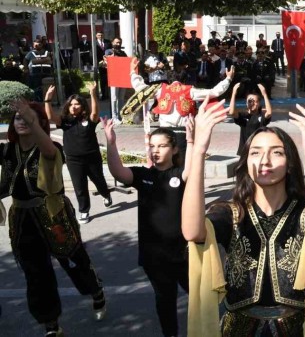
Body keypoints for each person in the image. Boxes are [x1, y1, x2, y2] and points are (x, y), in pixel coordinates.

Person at [182, 99, 305, 336]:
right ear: (246, 163)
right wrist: (199, 152)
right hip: (238, 329)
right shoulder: (231, 212)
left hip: (294, 328)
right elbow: (192, 232)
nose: (265, 161)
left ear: (290, 163)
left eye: (277, 153)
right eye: (255, 153)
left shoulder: (304, 211)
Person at [1, 101, 106, 337]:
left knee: (73, 261)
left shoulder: (51, 148)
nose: (22, 121)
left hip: (53, 215)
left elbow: (49, 153)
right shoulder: (7, 151)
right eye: (18, 118)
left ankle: (96, 291)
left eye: (28, 117)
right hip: (23, 220)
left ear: (39, 122)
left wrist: (32, 120)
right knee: (36, 274)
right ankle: (51, 325)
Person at [103, 118, 194, 337]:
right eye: (152, 146)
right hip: (154, 256)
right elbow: (118, 172)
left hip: (183, 253)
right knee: (165, 300)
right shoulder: (143, 175)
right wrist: (111, 143)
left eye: (162, 146)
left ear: (174, 149)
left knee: (200, 296)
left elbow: (191, 170)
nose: (156, 151)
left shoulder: (179, 174)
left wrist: (191, 142)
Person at [44, 84, 114, 224]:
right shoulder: (65, 121)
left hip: (92, 158)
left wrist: (93, 93)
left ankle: (106, 194)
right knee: (79, 186)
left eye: (77, 104)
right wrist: (47, 99)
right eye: (71, 104)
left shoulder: (89, 119)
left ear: (82, 106)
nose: (73, 107)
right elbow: (50, 116)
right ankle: (84, 210)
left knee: (99, 181)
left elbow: (95, 112)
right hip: (73, 160)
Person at [229, 82, 272, 156]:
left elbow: (269, 113)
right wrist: (233, 94)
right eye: (249, 101)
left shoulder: (261, 116)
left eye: (255, 101)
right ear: (246, 103)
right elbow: (232, 112)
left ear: (259, 103)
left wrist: (264, 94)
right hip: (245, 151)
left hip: (259, 150)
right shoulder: (243, 116)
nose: (252, 103)